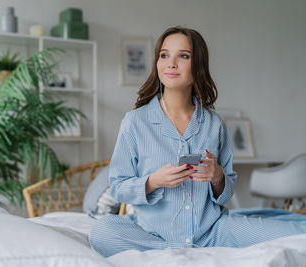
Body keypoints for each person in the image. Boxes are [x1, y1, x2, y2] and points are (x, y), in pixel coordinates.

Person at [89, 26, 306, 257]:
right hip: (155, 234)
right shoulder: (135, 122)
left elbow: (227, 190)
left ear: (198, 65)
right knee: (102, 232)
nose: (171, 63)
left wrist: (217, 176)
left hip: (215, 231)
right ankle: (181, 251)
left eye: (183, 56)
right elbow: (118, 187)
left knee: (296, 234)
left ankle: (187, 252)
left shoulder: (214, 123)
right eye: (164, 55)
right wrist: (153, 181)